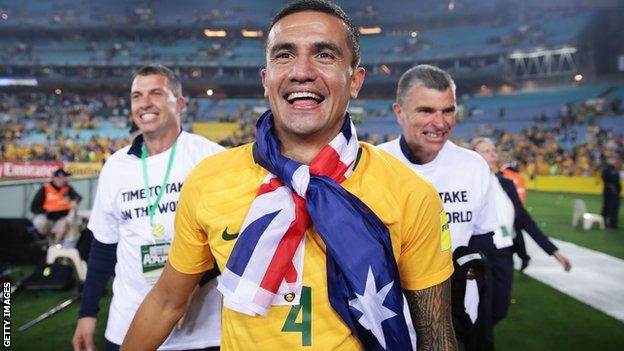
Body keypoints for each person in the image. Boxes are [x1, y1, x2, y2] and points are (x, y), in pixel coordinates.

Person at [122, 1, 457, 350]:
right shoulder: (209, 180)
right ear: (266, 79)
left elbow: (437, 335)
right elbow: (166, 302)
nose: (301, 71)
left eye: (324, 55)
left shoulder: (411, 193)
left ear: (355, 80)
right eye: (284, 55)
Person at [72, 64, 224, 351]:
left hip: (201, 331)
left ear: (179, 103)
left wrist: (192, 282)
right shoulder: (116, 166)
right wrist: (87, 313)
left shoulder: (211, 158)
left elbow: (232, 242)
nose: (144, 103)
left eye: (156, 93)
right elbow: (103, 248)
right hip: (128, 326)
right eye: (136, 96)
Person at [377, 64, 498, 350]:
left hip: (458, 319)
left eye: (448, 110)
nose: (440, 122)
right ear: (399, 113)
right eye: (426, 111)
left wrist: (472, 267)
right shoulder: (374, 167)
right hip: (388, 321)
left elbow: (484, 238)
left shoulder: (474, 166)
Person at [471, 137, 572, 325]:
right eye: (485, 151)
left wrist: (554, 252)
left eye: (493, 150)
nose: (492, 153)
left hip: (505, 253)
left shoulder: (506, 184)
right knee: (479, 311)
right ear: (472, 156)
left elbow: (525, 220)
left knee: (499, 309)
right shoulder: (466, 186)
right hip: (479, 254)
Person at [31, 168, 82, 244]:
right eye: (62, 178)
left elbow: (78, 197)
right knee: (41, 222)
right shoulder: (45, 188)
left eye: (65, 178)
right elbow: (34, 207)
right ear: (56, 178)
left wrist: (75, 201)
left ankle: (55, 245)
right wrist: (46, 212)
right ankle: (42, 241)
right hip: (47, 217)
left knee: (67, 221)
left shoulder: (67, 188)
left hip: (62, 218)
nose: (64, 180)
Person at [601, 154, 621, 229]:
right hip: (610, 191)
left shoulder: (615, 169)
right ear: (608, 161)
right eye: (612, 159)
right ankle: (609, 223)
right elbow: (606, 179)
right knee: (609, 207)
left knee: (612, 207)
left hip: (614, 191)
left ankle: (611, 222)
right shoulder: (607, 169)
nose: (615, 161)